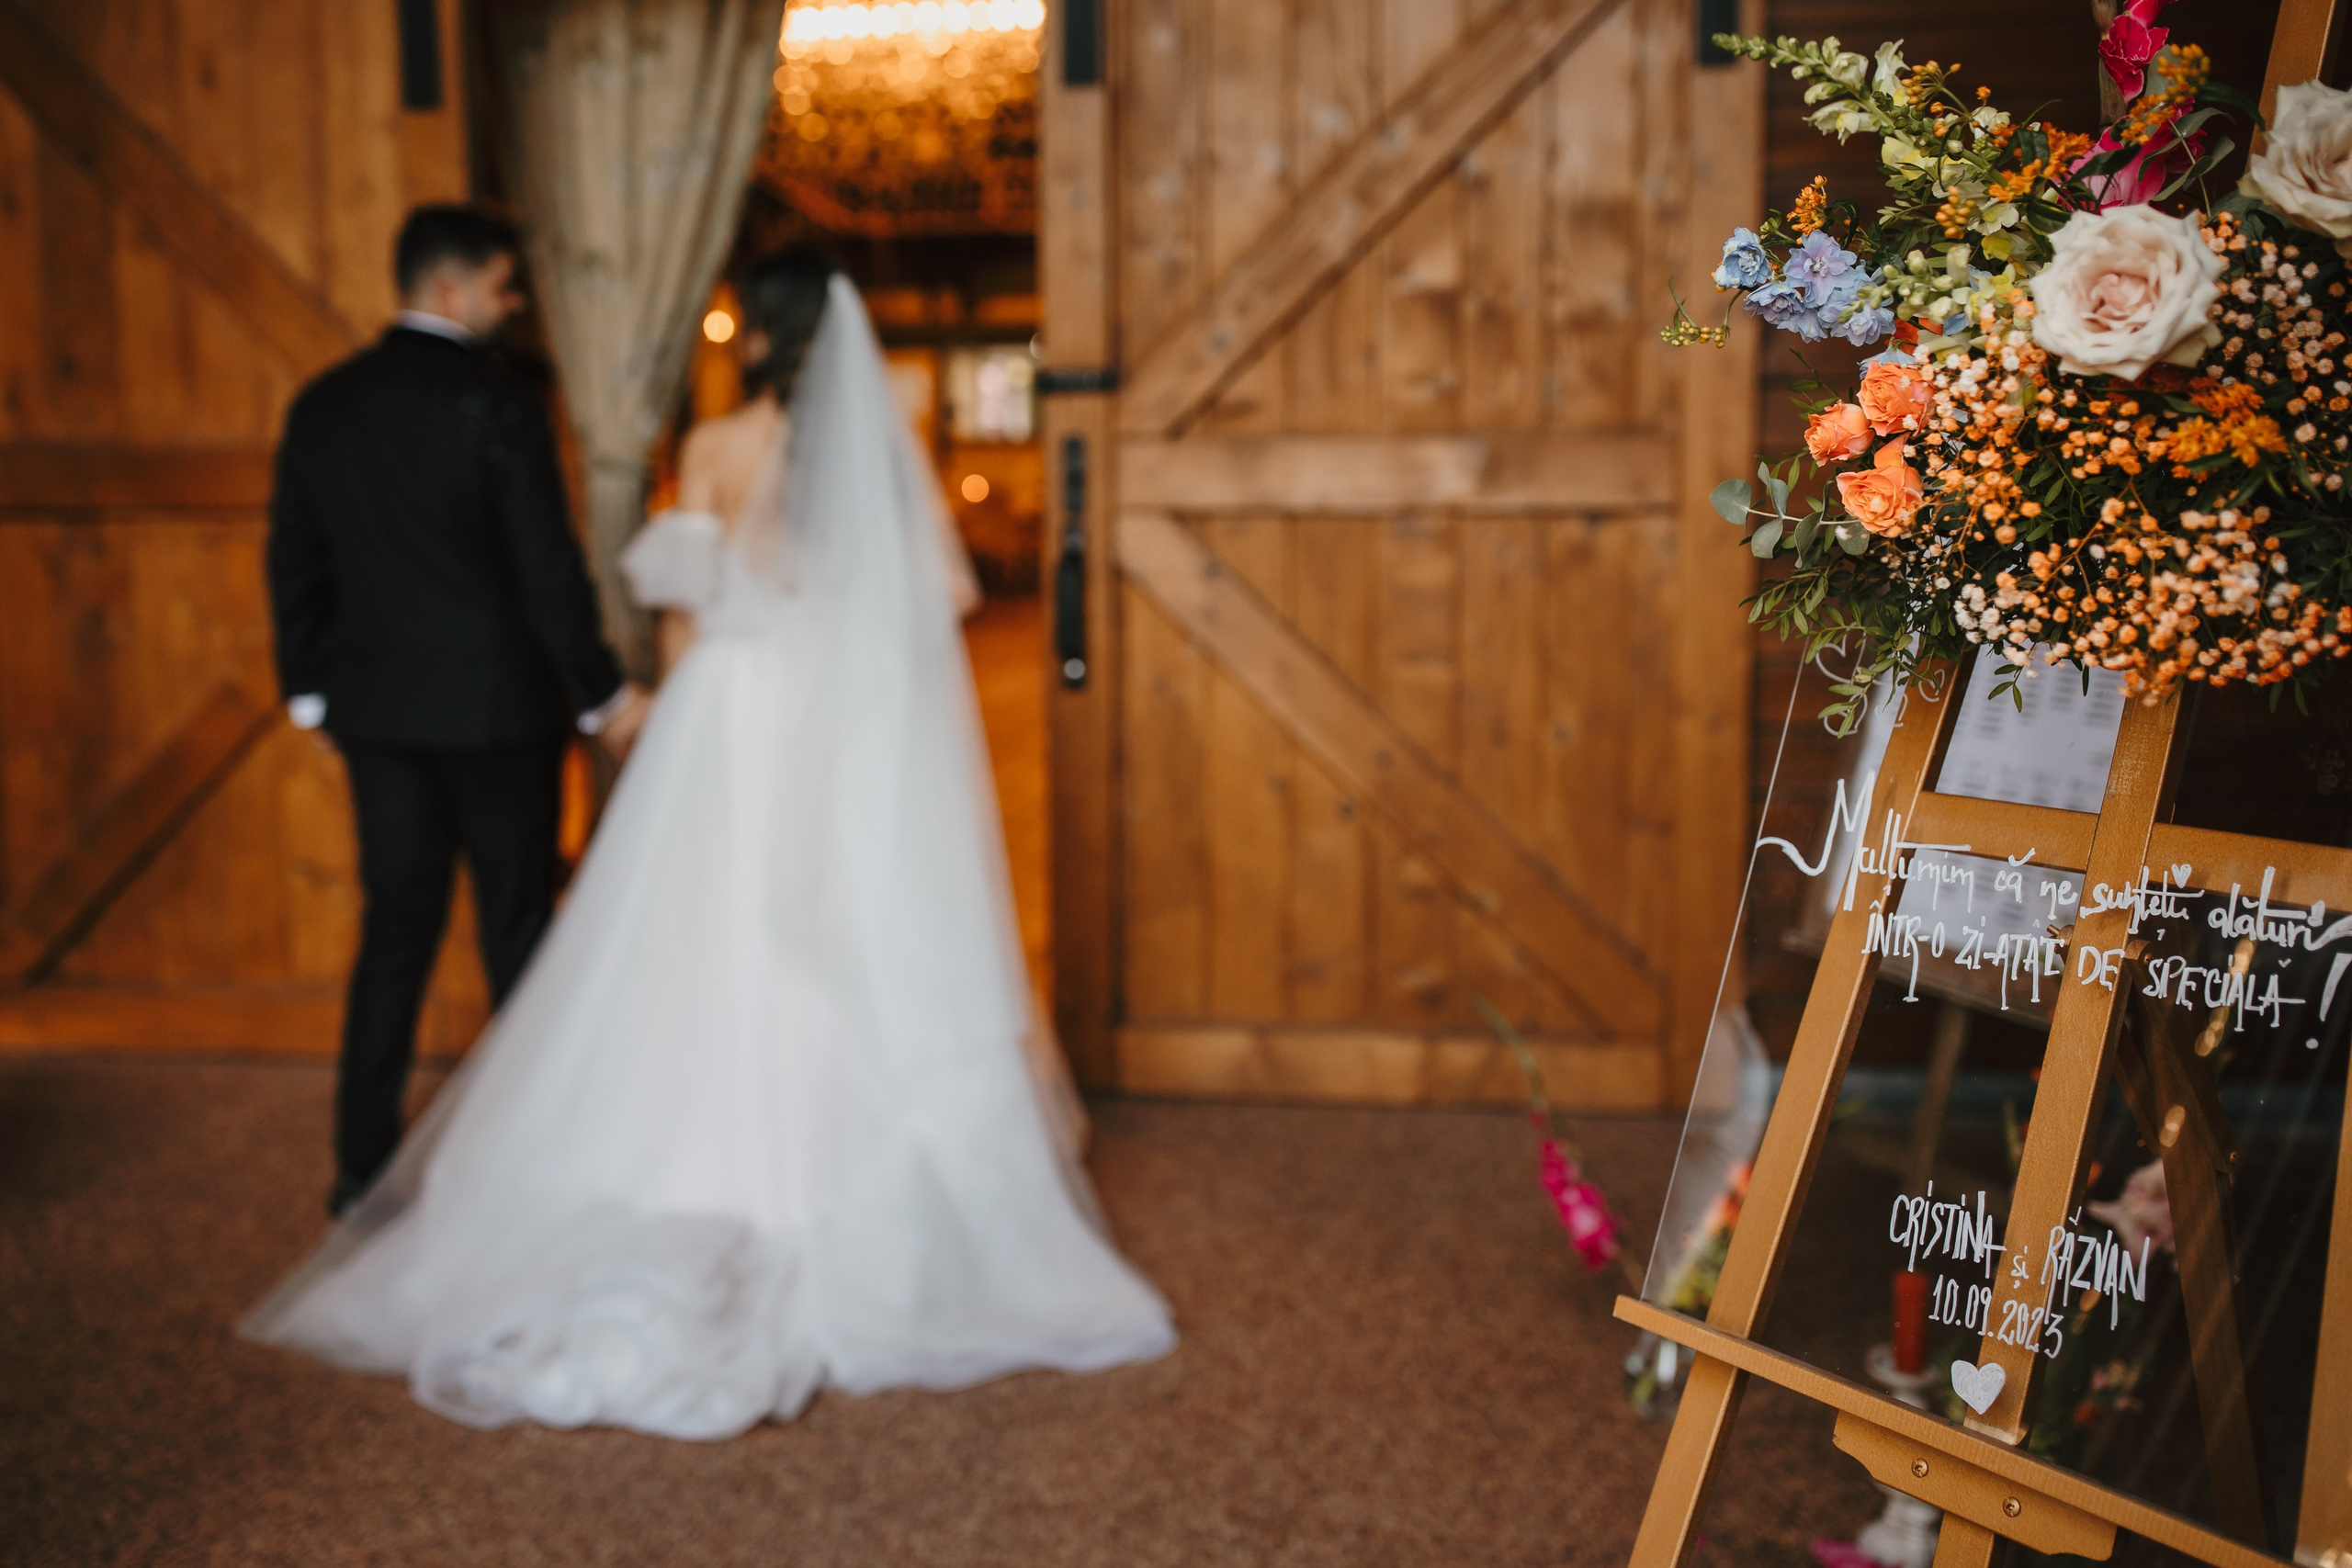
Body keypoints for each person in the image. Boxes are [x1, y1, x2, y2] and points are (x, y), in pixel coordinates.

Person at [241, 250, 1175, 1439]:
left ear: (753, 335)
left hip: (733, 707)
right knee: (848, 921)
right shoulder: (879, 447)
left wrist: (669, 726)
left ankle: (651, 1144)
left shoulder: (720, 447)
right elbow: (934, 598)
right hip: (836, 702)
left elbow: (688, 612)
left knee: (698, 924)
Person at [266, 204, 649, 1219]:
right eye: (502, 284)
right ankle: (546, 1159)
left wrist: (310, 691)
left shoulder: (324, 405)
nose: (512, 302)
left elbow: (292, 558)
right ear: (448, 288)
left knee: (395, 926)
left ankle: (358, 1166)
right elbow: (546, 569)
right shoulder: (498, 404)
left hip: (378, 715)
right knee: (515, 927)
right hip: (498, 716)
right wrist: (602, 690)